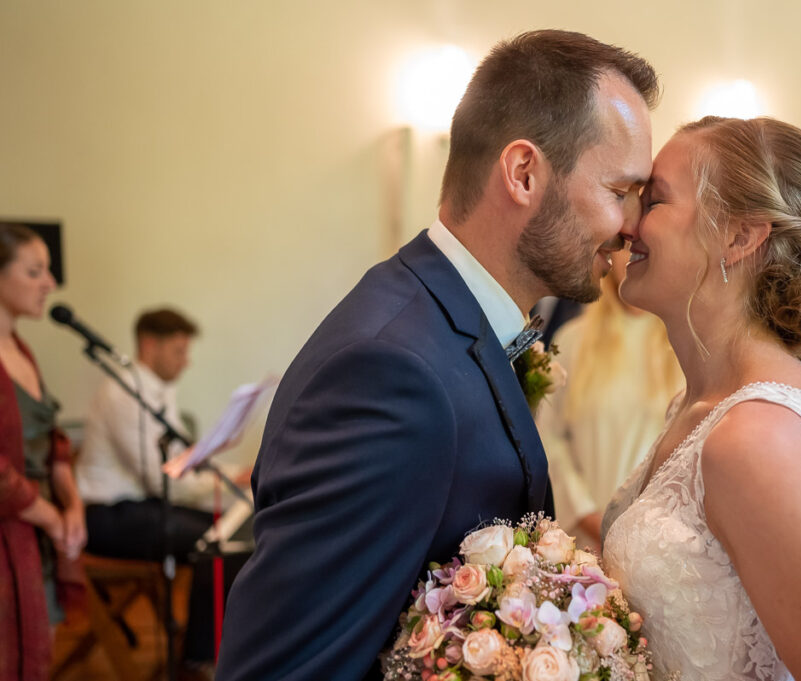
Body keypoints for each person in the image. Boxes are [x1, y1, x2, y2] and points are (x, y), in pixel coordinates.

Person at [216, 30, 657, 681]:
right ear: (524, 174)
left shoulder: (450, 322)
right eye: (620, 191)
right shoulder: (389, 373)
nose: (631, 227)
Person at [602, 117, 801, 680]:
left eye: (655, 200)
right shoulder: (700, 406)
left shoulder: (760, 439)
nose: (626, 224)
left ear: (739, 237)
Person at [76, 308, 248, 677]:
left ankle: (209, 647)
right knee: (220, 542)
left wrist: (234, 475)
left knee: (232, 530)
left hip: (141, 505)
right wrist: (229, 481)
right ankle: (198, 659)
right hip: (109, 515)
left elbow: (183, 461)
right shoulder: (123, 392)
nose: (186, 362)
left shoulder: (158, 391)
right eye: (178, 351)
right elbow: (165, 479)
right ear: (149, 345)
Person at [536, 249, 683, 549]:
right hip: (584, 535)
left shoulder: (681, 344)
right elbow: (549, 438)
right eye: (626, 244)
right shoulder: (572, 339)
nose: (633, 254)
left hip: (656, 538)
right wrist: (589, 515)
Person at [0, 223, 86, 681]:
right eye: (34, 272)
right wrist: (51, 517)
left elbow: (53, 442)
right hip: (11, 534)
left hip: (36, 535)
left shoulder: (22, 350)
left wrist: (72, 506)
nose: (49, 284)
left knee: (40, 655)